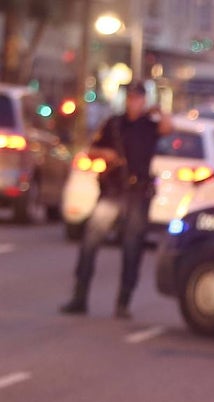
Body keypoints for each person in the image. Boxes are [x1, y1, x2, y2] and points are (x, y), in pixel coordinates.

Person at [60, 80, 172, 318]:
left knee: (132, 248)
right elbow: (91, 149)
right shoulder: (114, 124)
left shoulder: (148, 125)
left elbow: (167, 129)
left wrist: (159, 111)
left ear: (144, 100)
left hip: (137, 192)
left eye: (139, 98)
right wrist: (106, 154)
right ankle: (79, 297)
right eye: (131, 97)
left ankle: (123, 303)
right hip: (113, 190)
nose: (134, 102)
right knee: (90, 241)